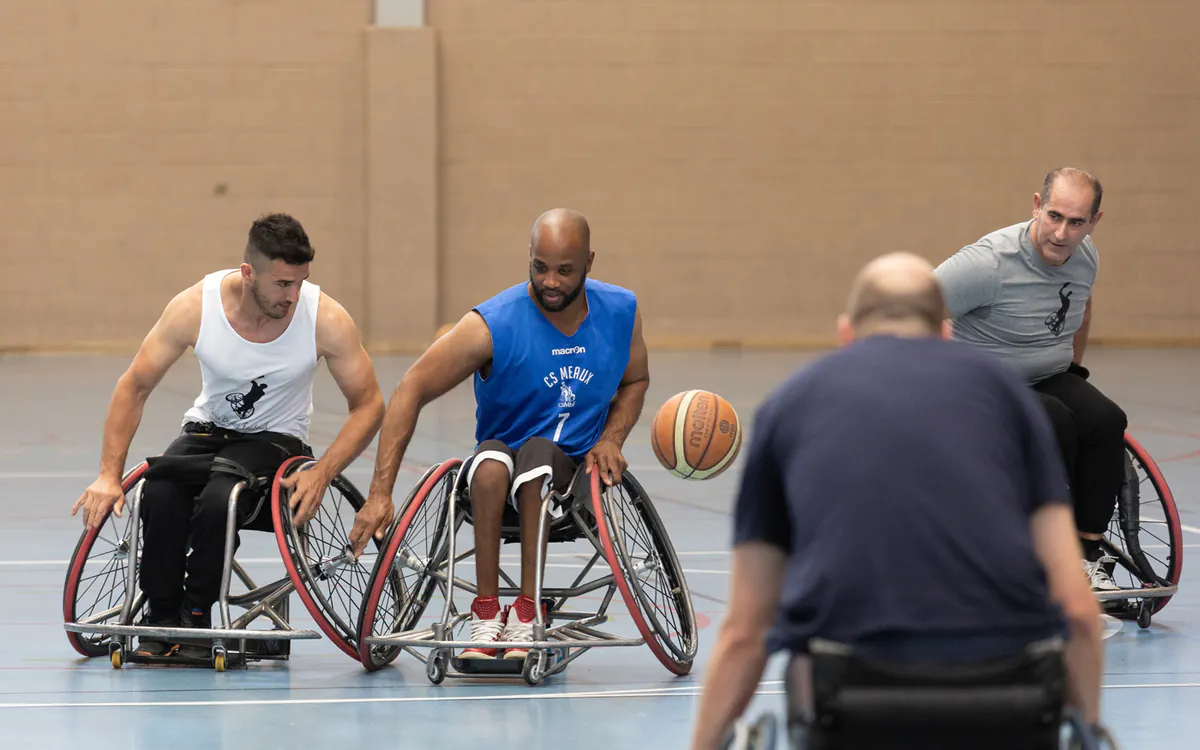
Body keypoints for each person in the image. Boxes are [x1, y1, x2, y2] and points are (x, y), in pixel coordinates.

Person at [689, 253, 1104, 749]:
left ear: (846, 333)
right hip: (1007, 700)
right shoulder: (1010, 399)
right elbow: (1078, 608)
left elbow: (744, 631)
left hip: (849, 704)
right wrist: (1086, 727)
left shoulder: (792, 403)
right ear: (944, 334)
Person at [70, 213, 385, 658]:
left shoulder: (324, 318)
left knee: (221, 497)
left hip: (276, 443)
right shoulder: (196, 307)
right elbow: (134, 385)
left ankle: (197, 616)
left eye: (300, 282)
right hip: (205, 433)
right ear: (248, 273)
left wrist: (323, 471)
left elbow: (369, 403)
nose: (293, 296)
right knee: (159, 490)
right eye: (281, 284)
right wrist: (107, 473)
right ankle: (162, 619)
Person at [357, 207, 649, 661]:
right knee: (492, 462)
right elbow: (410, 387)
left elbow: (635, 381)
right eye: (540, 267)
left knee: (539, 455)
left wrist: (612, 438)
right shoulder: (493, 323)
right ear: (528, 257)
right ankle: (487, 612)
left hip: (573, 480)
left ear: (590, 263)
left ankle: (528, 612)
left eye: (565, 271)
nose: (550, 281)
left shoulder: (620, 312)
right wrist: (380, 493)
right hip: (499, 473)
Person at [932, 167, 1127, 591]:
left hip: (1047, 373)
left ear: (1094, 222)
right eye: (1054, 216)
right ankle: (1044, 553)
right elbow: (913, 305)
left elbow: (1081, 311)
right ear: (1036, 206)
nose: (1061, 233)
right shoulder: (988, 263)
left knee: (1106, 419)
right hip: (983, 387)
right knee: (1053, 419)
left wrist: (1074, 369)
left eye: (1076, 222)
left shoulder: (1086, 256)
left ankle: (1086, 554)